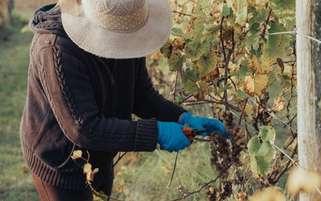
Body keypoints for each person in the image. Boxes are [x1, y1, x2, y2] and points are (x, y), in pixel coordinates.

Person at [20, 0, 229, 200]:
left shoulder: (125, 29)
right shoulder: (55, 49)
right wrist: (156, 132)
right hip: (60, 161)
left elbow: (141, 95)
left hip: (100, 151)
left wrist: (180, 117)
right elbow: (84, 128)